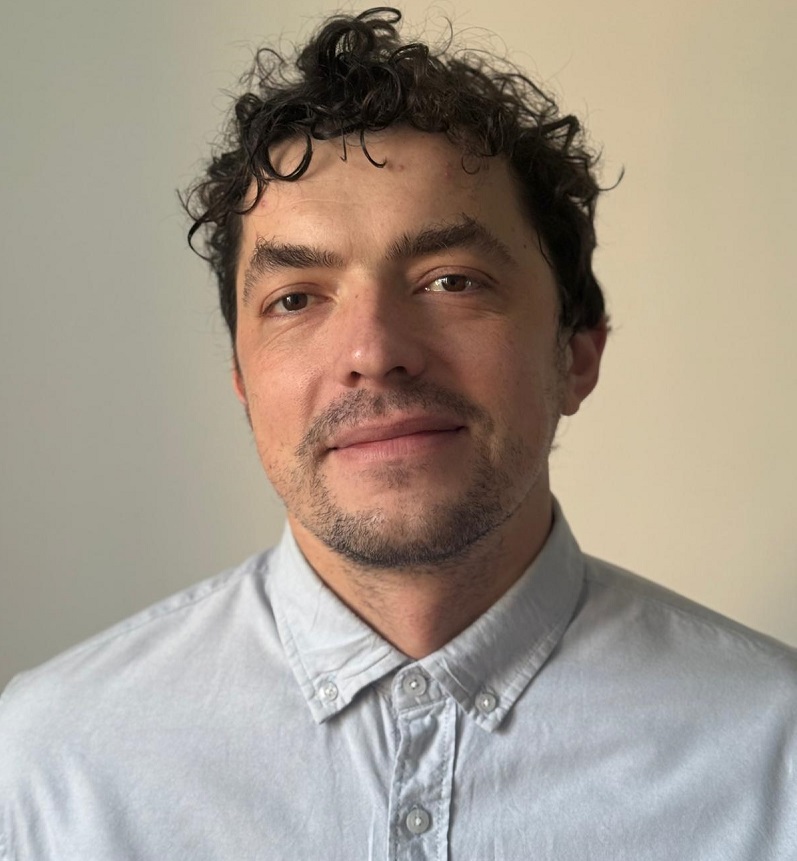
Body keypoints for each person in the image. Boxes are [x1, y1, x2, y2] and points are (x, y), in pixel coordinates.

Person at [1, 8, 794, 859]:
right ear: (242, 381)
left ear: (576, 354)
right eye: (295, 299)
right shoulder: (50, 760)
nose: (373, 353)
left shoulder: (774, 753)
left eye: (451, 281)